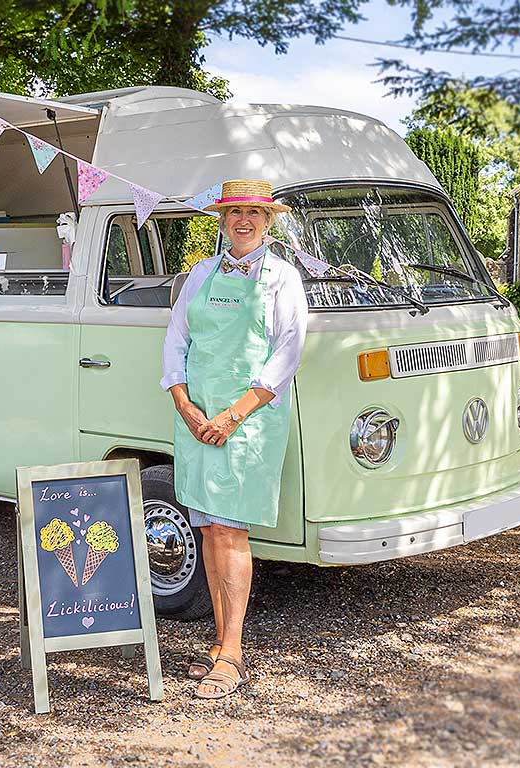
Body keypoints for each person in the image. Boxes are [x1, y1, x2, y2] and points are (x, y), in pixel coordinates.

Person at [159, 179, 308, 699]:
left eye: (252, 212)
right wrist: (183, 403)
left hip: (246, 422)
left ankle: (233, 654)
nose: (242, 220)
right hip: (197, 420)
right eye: (233, 212)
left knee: (229, 531)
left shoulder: (282, 279)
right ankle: (222, 641)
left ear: (267, 221)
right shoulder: (202, 272)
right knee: (205, 530)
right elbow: (176, 340)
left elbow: (285, 356)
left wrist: (231, 415)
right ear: (221, 219)